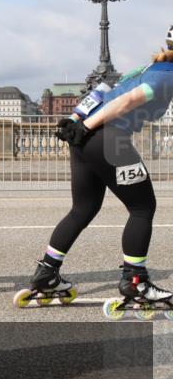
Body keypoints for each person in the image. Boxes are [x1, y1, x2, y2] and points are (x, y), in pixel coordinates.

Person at [17, 24, 173, 315]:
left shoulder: (148, 69)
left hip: (87, 140)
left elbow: (102, 90)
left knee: (82, 209)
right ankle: (135, 281)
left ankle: (46, 273)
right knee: (142, 207)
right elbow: (128, 100)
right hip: (108, 139)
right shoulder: (169, 77)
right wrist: (86, 126)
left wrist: (76, 120)